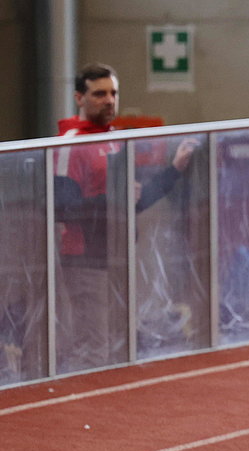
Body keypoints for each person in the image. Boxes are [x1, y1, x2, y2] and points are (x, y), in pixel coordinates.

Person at [54, 63, 197, 372]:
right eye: (99, 94)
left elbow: (134, 201)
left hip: (116, 253)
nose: (109, 100)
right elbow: (62, 206)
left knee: (118, 343)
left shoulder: (114, 138)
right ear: (79, 98)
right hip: (85, 259)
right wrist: (114, 201)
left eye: (113, 93)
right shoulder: (70, 143)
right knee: (94, 346)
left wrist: (174, 169)